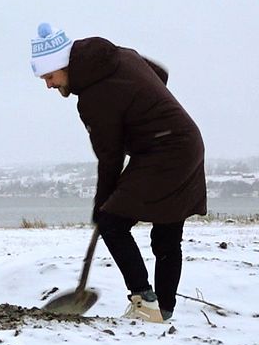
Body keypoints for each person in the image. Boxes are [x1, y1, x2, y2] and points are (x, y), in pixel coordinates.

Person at [31, 23, 206, 322]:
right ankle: (161, 311)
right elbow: (159, 74)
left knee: (112, 222)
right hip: (186, 140)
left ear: (63, 66)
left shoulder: (94, 98)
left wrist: (102, 204)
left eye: (49, 76)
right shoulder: (120, 56)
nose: (48, 85)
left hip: (163, 150)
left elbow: (109, 157)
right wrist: (145, 108)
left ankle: (145, 301)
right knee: (167, 235)